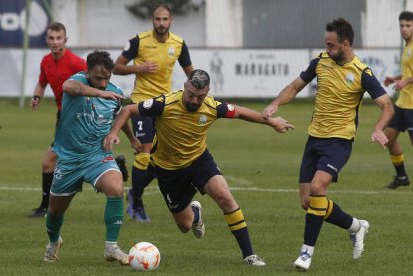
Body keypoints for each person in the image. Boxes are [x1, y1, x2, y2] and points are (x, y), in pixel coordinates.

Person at [103, 69, 294, 266]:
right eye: (191, 94)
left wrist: (271, 122)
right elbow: (128, 110)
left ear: (208, 92)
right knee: (185, 225)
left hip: (199, 160)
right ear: (185, 87)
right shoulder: (164, 103)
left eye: (200, 96)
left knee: (225, 197)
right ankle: (195, 214)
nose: (195, 100)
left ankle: (249, 255)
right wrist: (114, 132)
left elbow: (240, 112)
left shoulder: (212, 107)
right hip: (169, 170)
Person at [262, 18, 394, 271]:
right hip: (314, 138)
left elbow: (387, 105)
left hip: (339, 140)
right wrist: (276, 104)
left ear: (345, 44)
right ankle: (355, 226)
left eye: (331, 45)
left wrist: (378, 128)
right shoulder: (320, 61)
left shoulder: (362, 73)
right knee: (308, 201)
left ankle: (306, 252)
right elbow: (295, 86)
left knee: (317, 186)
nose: (327, 48)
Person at [43, 50, 141, 264]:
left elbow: (121, 116)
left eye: (107, 78)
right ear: (87, 72)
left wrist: (130, 138)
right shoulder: (77, 82)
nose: (104, 83)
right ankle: (53, 242)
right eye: (98, 78)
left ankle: (111, 248)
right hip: (69, 159)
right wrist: (98, 93)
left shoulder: (113, 93)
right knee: (55, 212)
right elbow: (67, 87)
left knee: (116, 188)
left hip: (97, 156)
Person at [113, 4, 193, 221]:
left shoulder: (178, 44)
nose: (161, 23)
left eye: (165, 19)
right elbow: (117, 67)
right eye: (158, 19)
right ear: (152, 20)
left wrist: (196, 89)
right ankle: (137, 202)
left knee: (163, 158)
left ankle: (133, 193)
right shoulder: (138, 41)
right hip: (141, 103)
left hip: (165, 106)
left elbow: (190, 73)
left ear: (171, 20)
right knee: (145, 152)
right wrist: (138, 68)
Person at [28, 22, 87, 217]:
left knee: (49, 162)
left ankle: (46, 208)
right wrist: (36, 96)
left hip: (78, 118)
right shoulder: (45, 61)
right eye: (51, 38)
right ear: (46, 40)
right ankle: (47, 207)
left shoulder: (77, 62)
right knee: (69, 161)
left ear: (65, 40)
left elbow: (98, 83)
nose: (55, 42)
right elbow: (41, 83)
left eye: (58, 38)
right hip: (62, 117)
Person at [382, 11, 413, 189]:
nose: (404, 29)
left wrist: (405, 81)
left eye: (408, 25)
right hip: (403, 103)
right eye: (402, 25)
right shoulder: (407, 46)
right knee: (388, 138)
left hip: (412, 105)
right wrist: (396, 78)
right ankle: (402, 177)